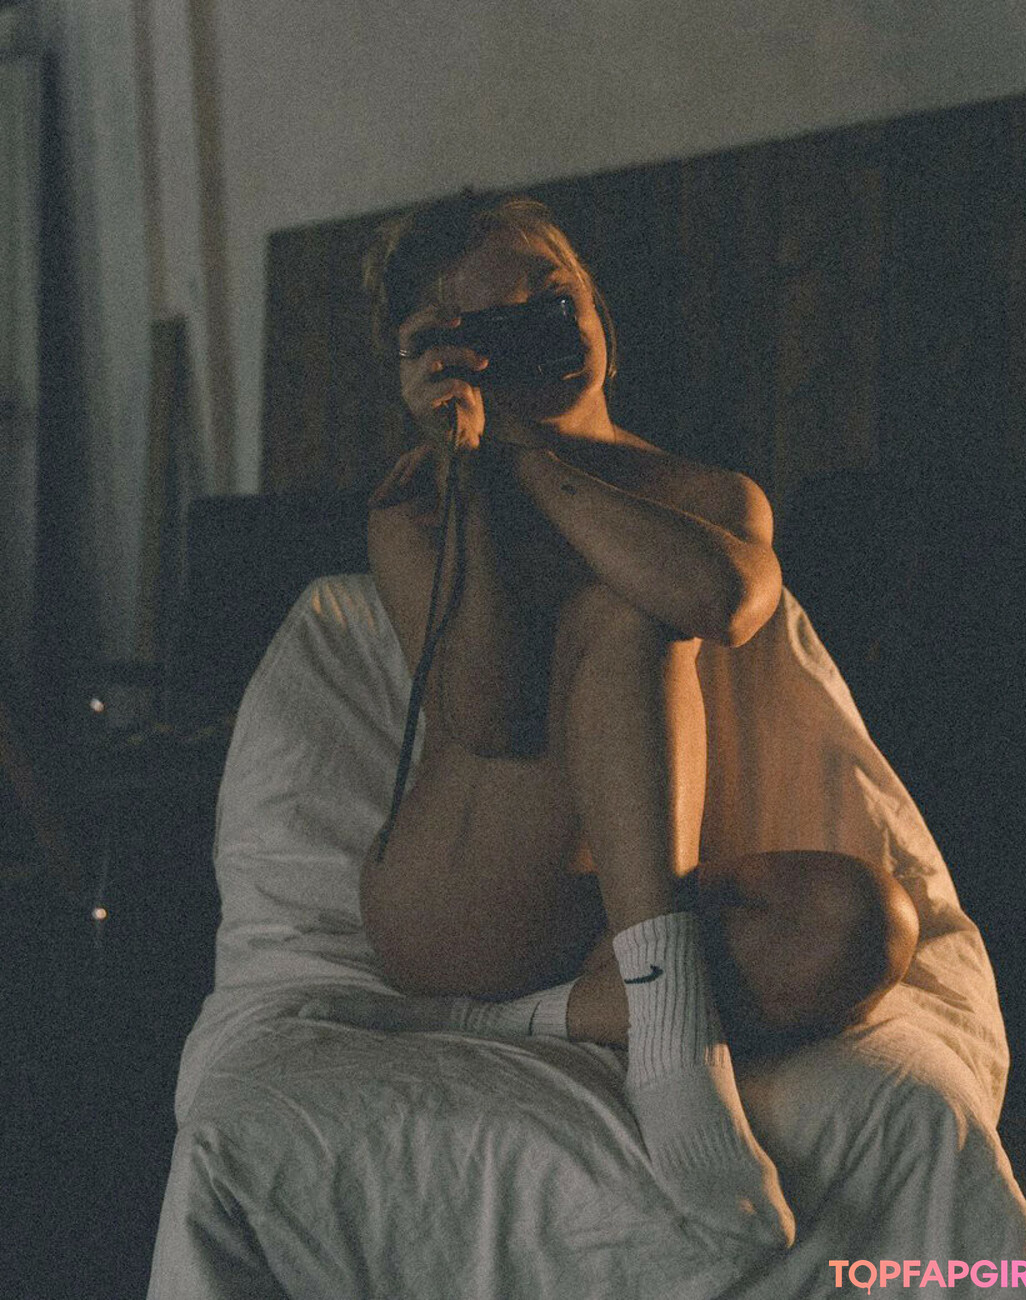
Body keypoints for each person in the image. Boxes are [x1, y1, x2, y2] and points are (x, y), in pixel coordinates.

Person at [358, 191, 918, 1260]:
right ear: (454, 357)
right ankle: (674, 1055)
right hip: (460, 895)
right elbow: (486, 713)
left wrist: (540, 465)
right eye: (505, 326)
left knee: (862, 925)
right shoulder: (418, 508)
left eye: (556, 296)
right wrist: (482, 475)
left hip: (625, 904)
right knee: (621, 608)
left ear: (595, 300)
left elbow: (721, 597)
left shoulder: (711, 494)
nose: (552, 330)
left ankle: (567, 1016)